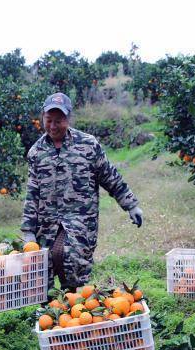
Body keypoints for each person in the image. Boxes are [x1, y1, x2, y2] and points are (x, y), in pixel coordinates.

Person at [21, 92, 143, 291]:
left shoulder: (88, 145)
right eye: (49, 120)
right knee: (44, 274)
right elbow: (32, 194)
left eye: (58, 121)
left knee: (73, 266)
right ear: (42, 117)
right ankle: (49, 315)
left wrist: (131, 205)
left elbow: (109, 176)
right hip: (47, 222)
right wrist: (28, 231)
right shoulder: (36, 152)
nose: (53, 126)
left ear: (68, 119)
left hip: (80, 221)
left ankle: (76, 309)